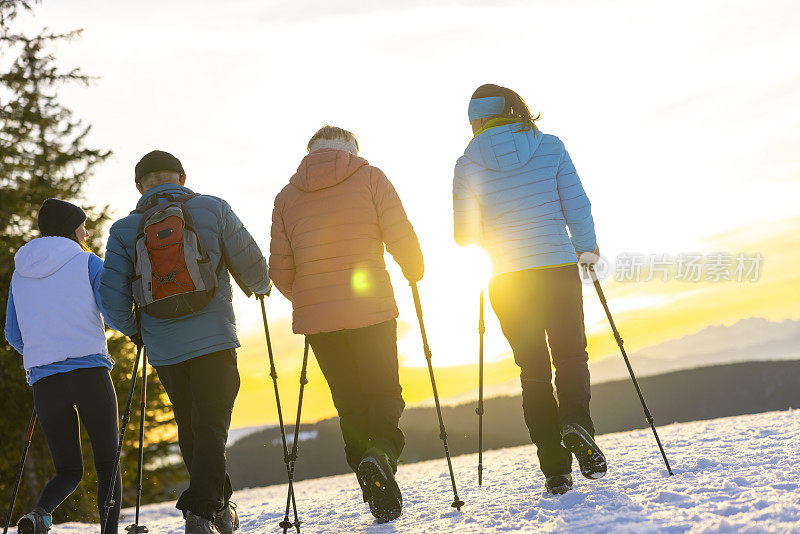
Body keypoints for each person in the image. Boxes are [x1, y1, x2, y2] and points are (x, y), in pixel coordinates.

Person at [99, 150, 271, 534]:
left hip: (164, 347)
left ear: (141, 186)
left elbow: (111, 302)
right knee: (211, 425)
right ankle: (201, 509)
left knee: (192, 425)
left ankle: (217, 507)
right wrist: (261, 288)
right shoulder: (213, 208)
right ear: (181, 177)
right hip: (214, 340)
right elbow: (255, 268)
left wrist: (138, 331)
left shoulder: (125, 230)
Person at [452, 84, 607, 495]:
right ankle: (577, 423)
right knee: (571, 356)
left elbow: (464, 235)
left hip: (507, 277)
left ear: (481, 120)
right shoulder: (551, 147)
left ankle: (555, 468)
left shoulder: (467, 164)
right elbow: (578, 207)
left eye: (472, 122)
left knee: (533, 371)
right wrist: (587, 250)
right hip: (556, 268)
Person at [269, 126, 423, 523]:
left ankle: (376, 489)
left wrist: (311, 298)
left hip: (319, 320)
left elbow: (280, 270)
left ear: (310, 153)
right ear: (351, 150)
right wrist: (414, 268)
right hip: (371, 308)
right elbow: (398, 231)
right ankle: (380, 456)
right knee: (385, 393)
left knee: (350, 403)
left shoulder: (286, 196)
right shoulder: (370, 176)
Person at [4, 199, 122, 534]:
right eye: (82, 225)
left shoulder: (20, 273)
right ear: (72, 228)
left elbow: (13, 333)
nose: (86, 231)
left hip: (45, 383)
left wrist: (45, 351)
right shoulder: (87, 261)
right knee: (107, 464)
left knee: (68, 470)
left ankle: (39, 514)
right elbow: (112, 311)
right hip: (90, 374)